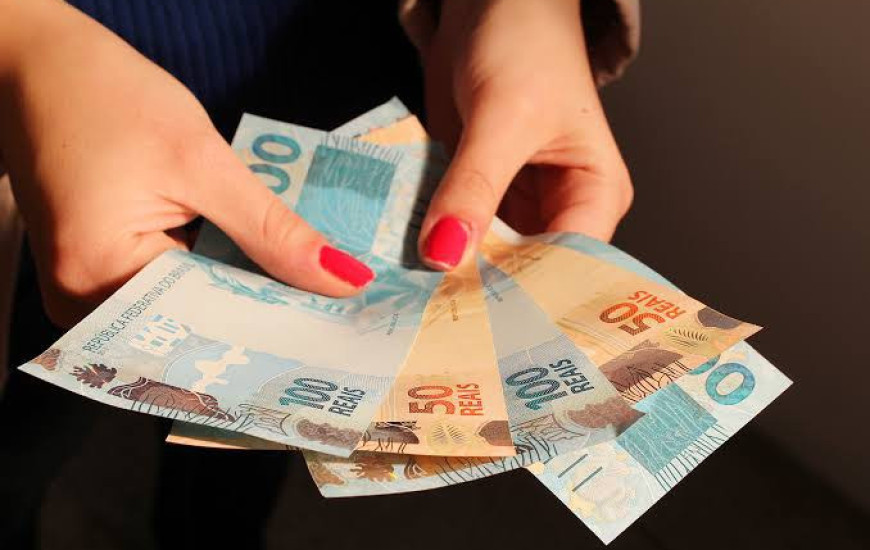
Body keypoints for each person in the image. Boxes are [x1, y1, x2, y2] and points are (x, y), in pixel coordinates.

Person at [0, 0, 638, 547]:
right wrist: (25, 43)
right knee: (22, 442)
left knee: (244, 455)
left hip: (354, 98)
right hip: (58, 147)